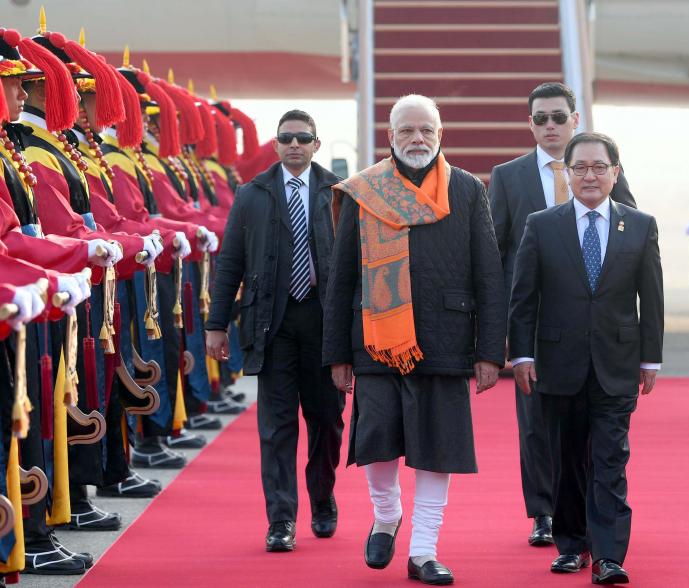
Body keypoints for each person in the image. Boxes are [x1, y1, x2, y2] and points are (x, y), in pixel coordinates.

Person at [323, 94, 505, 585]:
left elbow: (489, 274)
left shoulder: (467, 189)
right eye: (407, 130)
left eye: (426, 129)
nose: (417, 138)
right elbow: (341, 278)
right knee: (377, 441)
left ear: (441, 134)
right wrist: (336, 353)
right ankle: (386, 515)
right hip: (376, 338)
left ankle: (424, 550)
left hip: (446, 339)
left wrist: (490, 351)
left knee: (437, 448)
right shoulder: (365, 190)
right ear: (391, 136)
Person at [508, 132, 664, 584]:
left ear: (616, 173)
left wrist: (650, 359)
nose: (590, 176)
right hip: (558, 364)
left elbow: (651, 298)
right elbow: (524, 298)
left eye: (599, 167)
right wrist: (521, 354)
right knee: (567, 459)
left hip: (617, 362)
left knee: (611, 459)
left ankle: (609, 555)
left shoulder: (640, 226)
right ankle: (573, 544)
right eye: (580, 167)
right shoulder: (542, 225)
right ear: (568, 174)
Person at [488, 82, 636, 548]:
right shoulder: (508, 177)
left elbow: (629, 233)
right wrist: (500, 326)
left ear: (575, 119)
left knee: (590, 422)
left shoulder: (602, 169)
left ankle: (589, 511)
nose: (549, 126)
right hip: (536, 319)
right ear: (530, 124)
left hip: (592, 321)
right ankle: (543, 512)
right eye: (540, 118)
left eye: (558, 117)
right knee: (535, 422)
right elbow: (495, 252)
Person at [206, 109, 345, 552]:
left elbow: (357, 263)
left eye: (303, 138)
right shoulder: (252, 194)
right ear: (275, 144)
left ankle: (322, 496)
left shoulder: (339, 192)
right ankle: (281, 519)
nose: (294, 145)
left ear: (316, 144)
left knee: (327, 420)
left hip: (324, 324)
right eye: (286, 138)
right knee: (277, 426)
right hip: (272, 323)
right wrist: (216, 324)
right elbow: (230, 261)